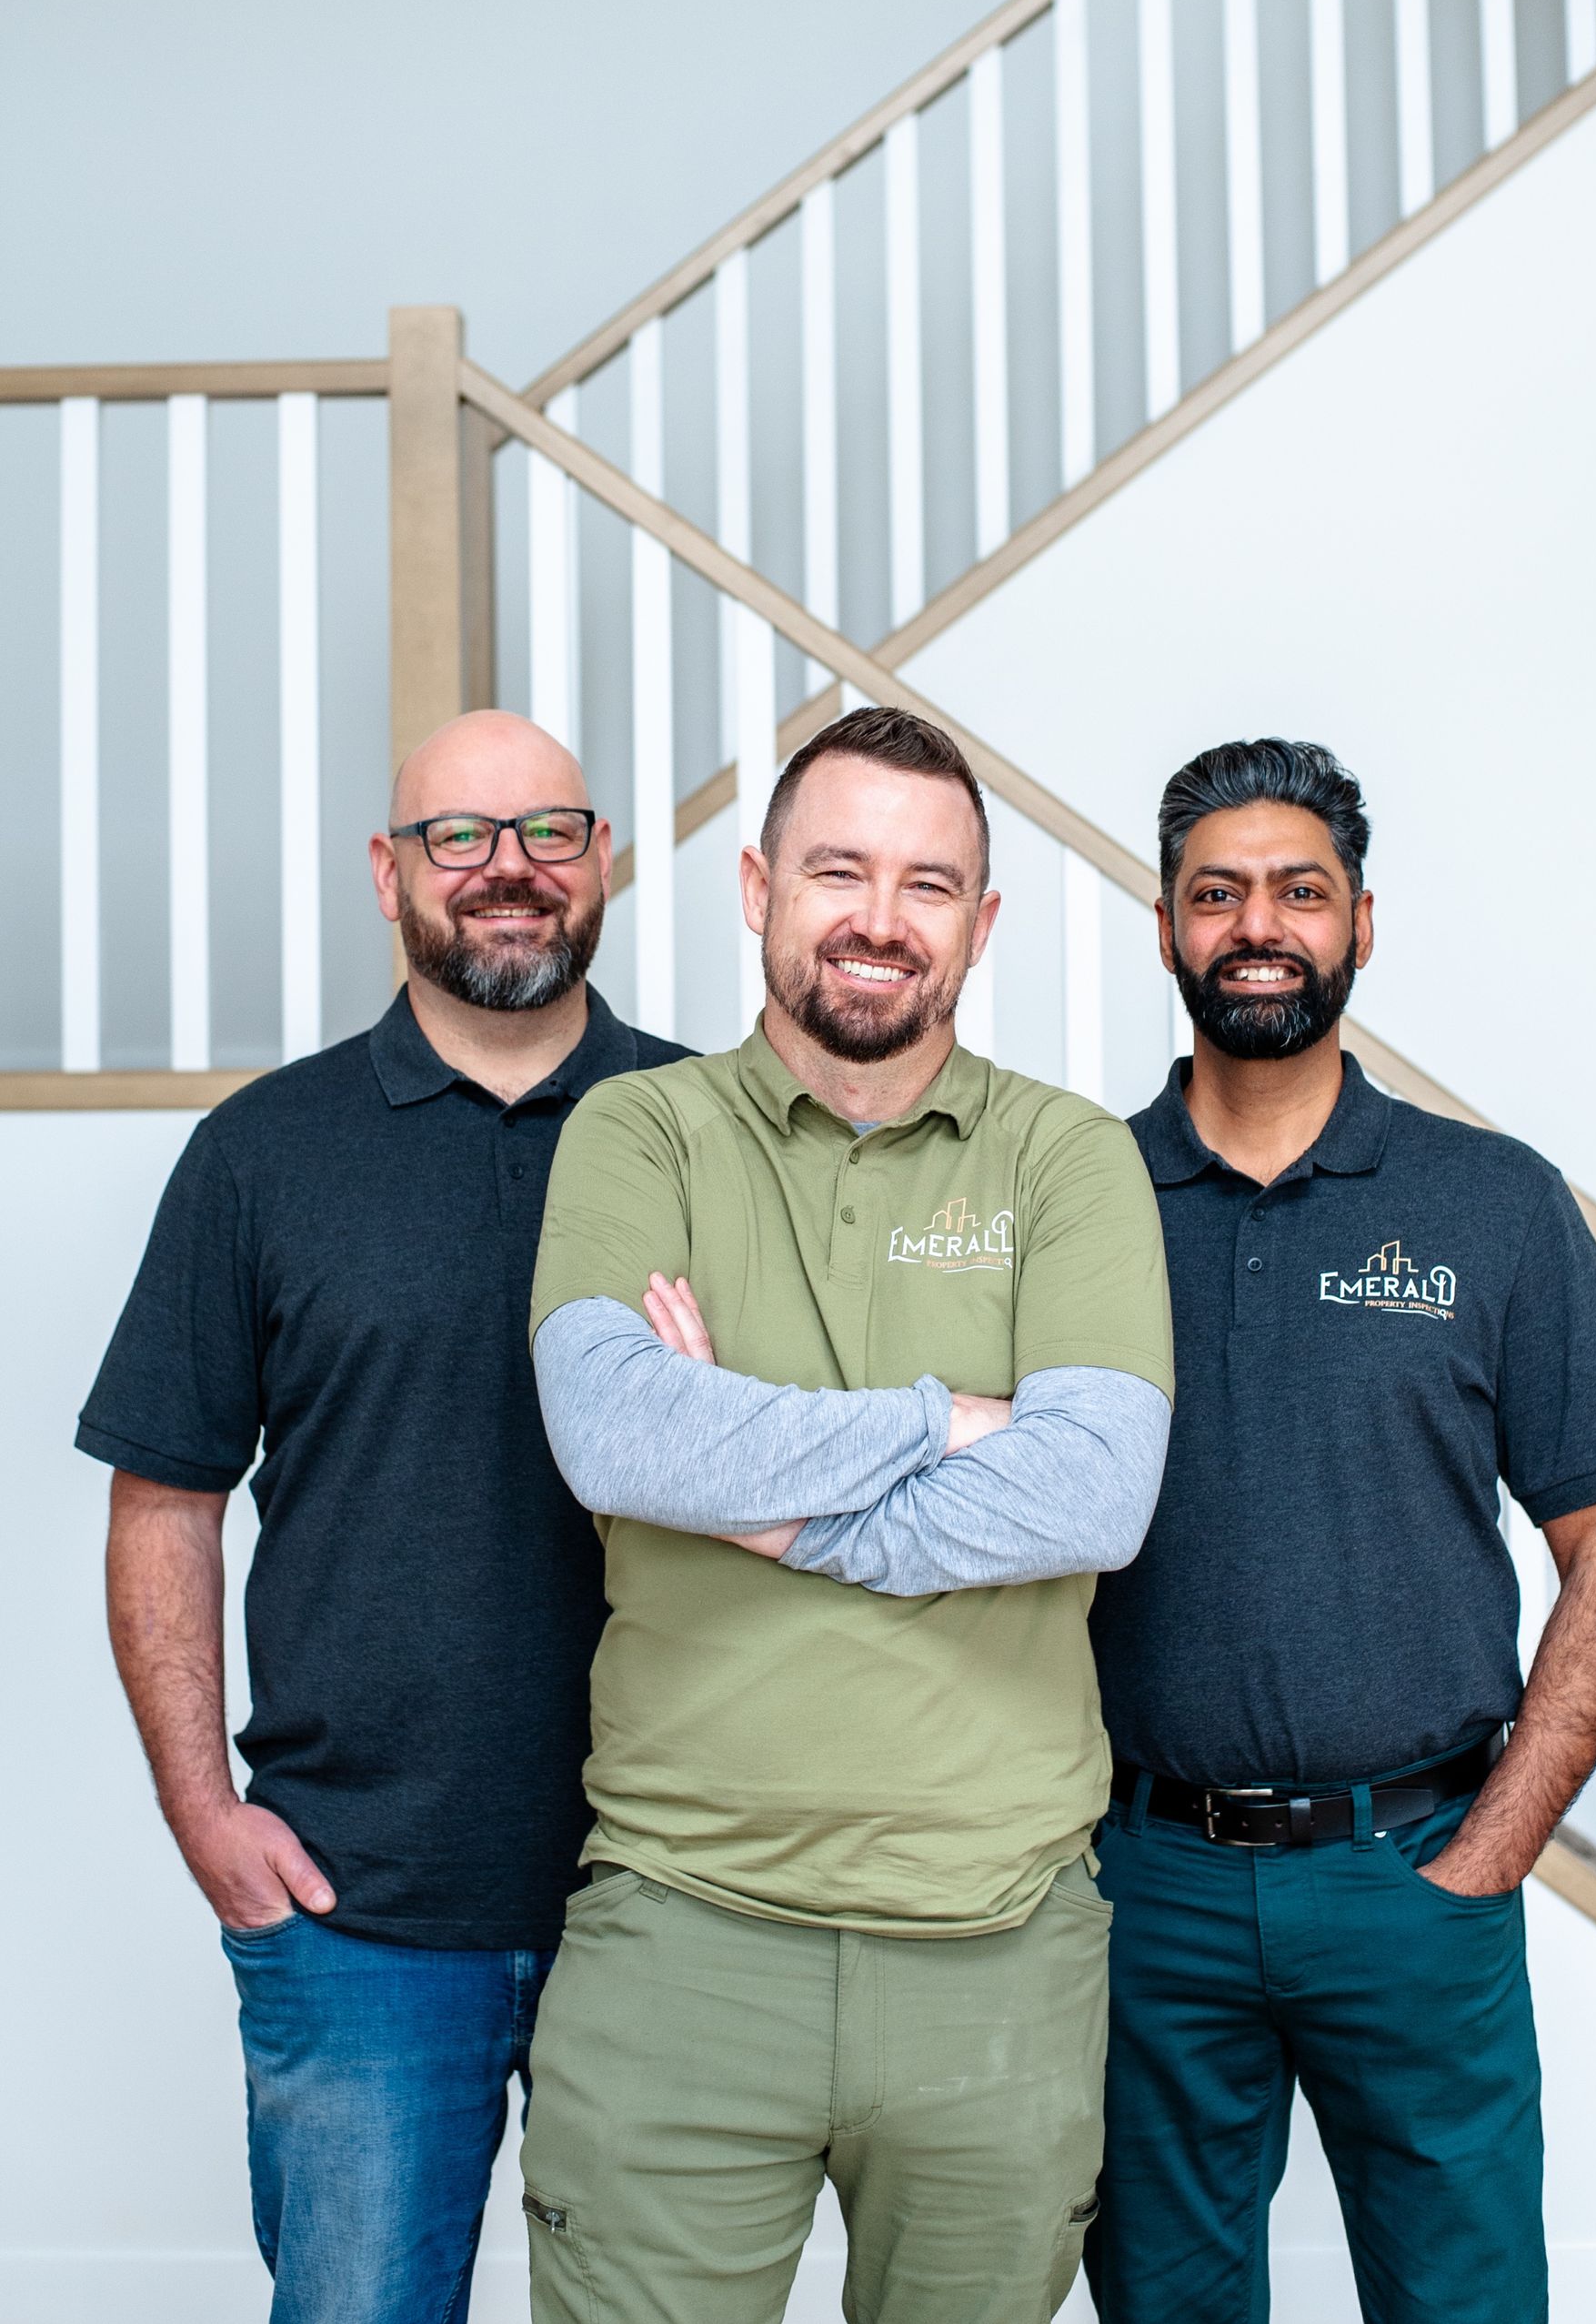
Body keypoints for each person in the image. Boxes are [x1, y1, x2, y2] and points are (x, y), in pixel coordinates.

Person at [520, 702, 1174, 2324]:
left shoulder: (1071, 1161)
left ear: (983, 923)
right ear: (756, 888)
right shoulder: (640, 1128)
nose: (880, 917)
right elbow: (613, 1432)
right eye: (839, 870)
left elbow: (1096, 1488)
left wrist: (745, 1492)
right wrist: (943, 1426)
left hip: (1000, 1950)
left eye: (928, 884)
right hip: (683, 1936)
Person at [75, 710, 688, 2324]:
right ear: (388, 873)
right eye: (459, 838)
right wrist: (205, 1809)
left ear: (602, 858)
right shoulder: (263, 1156)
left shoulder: (719, 1132)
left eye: (549, 831)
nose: (508, 873)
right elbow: (164, 1501)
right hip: (359, 1912)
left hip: (674, 1892)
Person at [1084, 737, 1596, 2324]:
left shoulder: (1492, 1202)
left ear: (1362, 921)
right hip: (1146, 1888)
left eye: (1300, 890)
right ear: (1163, 927)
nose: (1257, 924)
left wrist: (1488, 1859)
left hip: (1415, 1871)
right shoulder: (1074, 1198)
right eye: (1217, 894)